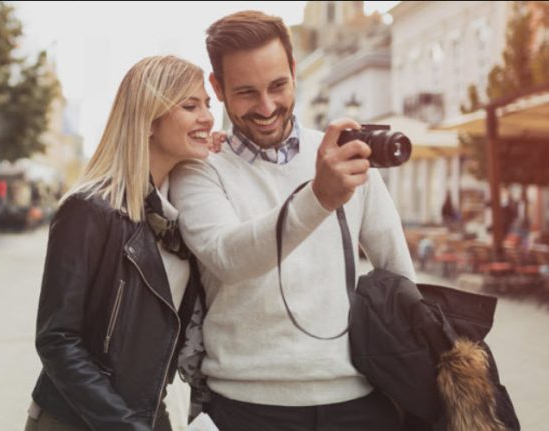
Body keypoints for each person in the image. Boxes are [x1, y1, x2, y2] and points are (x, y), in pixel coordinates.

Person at [170, 11, 416, 431]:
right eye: (246, 92)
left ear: (294, 70)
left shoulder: (346, 156)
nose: (267, 107)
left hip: (360, 401)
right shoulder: (200, 169)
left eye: (278, 86)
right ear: (218, 88)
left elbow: (399, 273)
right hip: (247, 407)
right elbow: (228, 257)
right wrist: (319, 197)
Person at [25, 55, 221, 431]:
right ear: (149, 119)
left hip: (145, 414)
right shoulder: (88, 209)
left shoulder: (177, 217)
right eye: (190, 105)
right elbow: (56, 339)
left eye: (207, 105)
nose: (208, 117)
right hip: (74, 421)